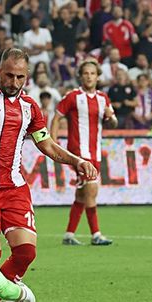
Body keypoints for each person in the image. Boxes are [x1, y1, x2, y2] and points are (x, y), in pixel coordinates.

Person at [0, 48, 99, 300]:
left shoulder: (30, 107)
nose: (14, 83)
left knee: (25, 253)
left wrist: (76, 160)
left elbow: (45, 143)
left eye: (20, 77)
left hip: (14, 187)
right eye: (9, 76)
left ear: (27, 77)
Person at [51, 59, 117, 246]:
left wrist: (110, 116)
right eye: (86, 73)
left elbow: (113, 123)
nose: (89, 76)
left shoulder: (103, 98)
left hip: (95, 152)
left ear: (97, 76)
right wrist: (54, 144)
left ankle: (69, 235)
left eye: (92, 73)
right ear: (80, 76)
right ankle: (96, 234)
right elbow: (56, 118)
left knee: (82, 194)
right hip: (79, 154)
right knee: (91, 191)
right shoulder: (73, 96)